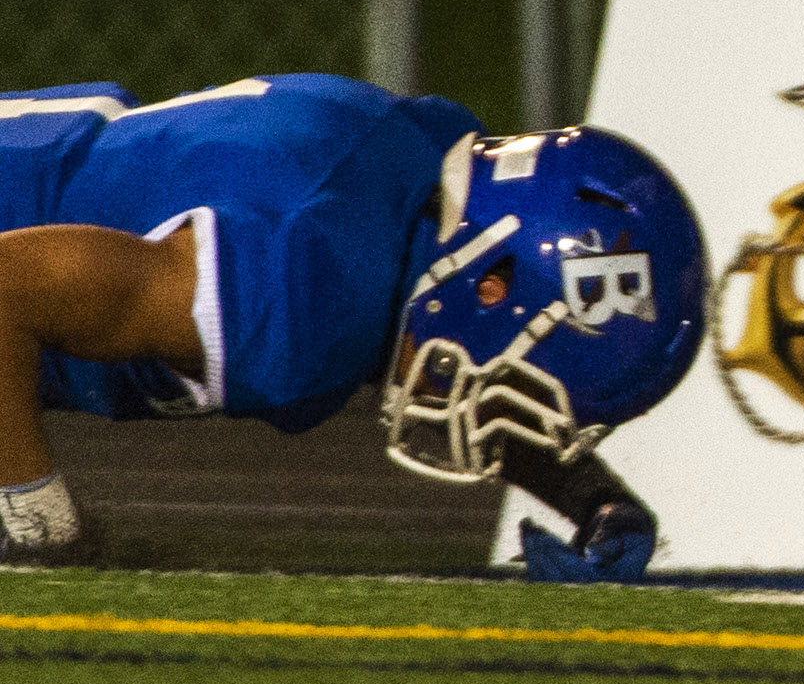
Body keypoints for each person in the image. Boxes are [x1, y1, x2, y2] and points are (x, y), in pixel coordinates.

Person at [0, 70, 704, 578]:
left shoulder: (414, 175)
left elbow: (452, 346)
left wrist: (590, 498)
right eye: (535, 379)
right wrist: (40, 531)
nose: (513, 401)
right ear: (491, 285)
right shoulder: (293, 278)